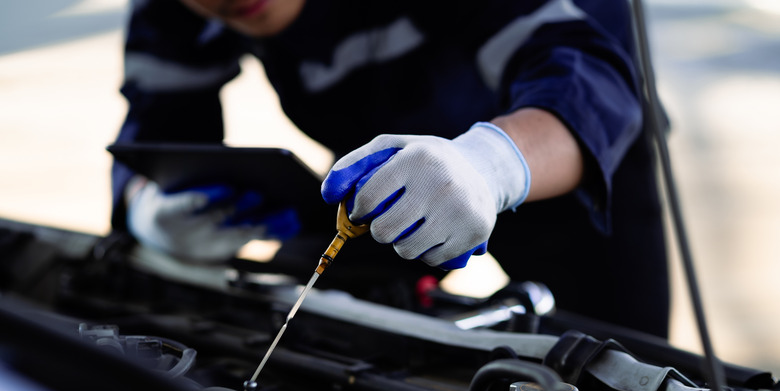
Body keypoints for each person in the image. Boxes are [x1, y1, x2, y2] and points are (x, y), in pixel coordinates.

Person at [112, 0, 670, 338]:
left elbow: (586, 73)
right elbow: (158, 130)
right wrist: (145, 207)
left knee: (617, 376)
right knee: (311, 330)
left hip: (552, 158)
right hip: (379, 176)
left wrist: (490, 164)